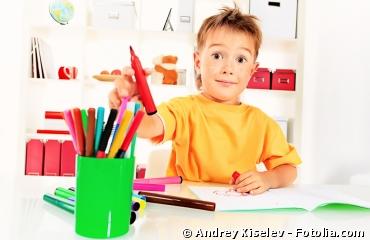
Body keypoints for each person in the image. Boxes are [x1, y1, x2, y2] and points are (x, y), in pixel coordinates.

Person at [109, 6, 301, 195]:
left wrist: (268, 178)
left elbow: (289, 170)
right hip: (187, 212)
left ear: (252, 70)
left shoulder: (261, 123)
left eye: (240, 59)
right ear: (198, 62)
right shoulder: (183, 109)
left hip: (238, 216)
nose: (228, 68)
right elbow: (148, 126)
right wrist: (126, 105)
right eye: (217, 56)